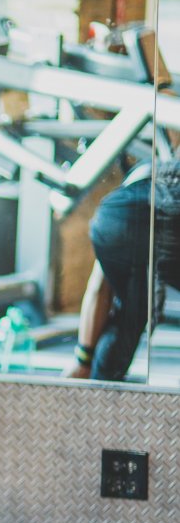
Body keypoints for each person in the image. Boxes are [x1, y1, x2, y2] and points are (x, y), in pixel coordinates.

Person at [66, 162, 180, 381]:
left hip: (110, 218)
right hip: (166, 216)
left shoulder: (140, 180)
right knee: (136, 308)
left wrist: (83, 358)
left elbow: (98, 288)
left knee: (131, 311)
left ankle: (97, 380)